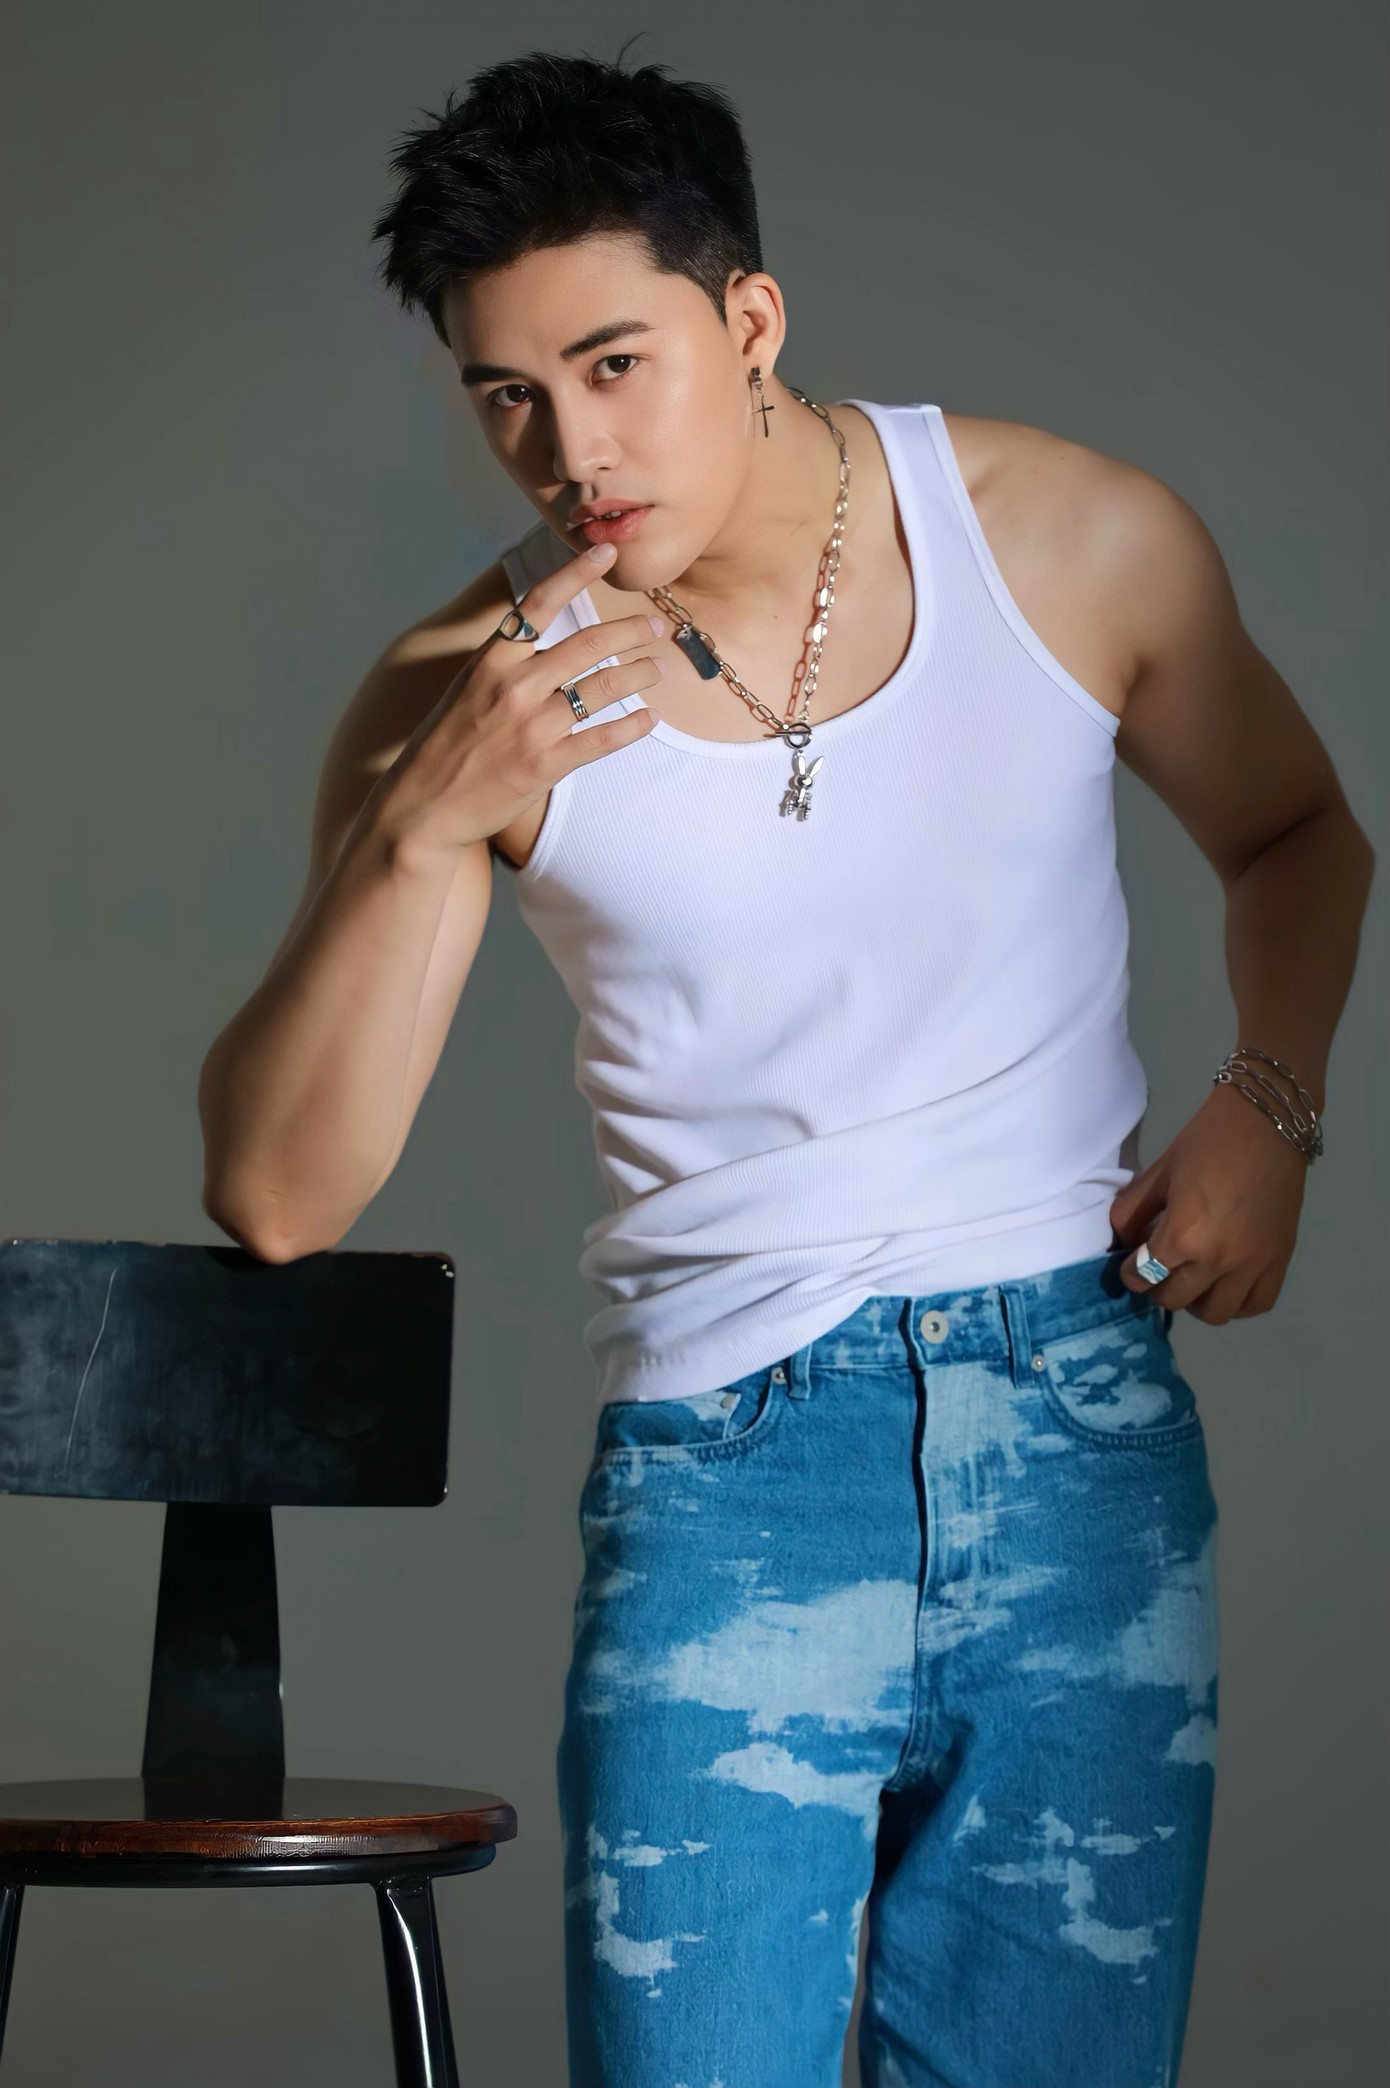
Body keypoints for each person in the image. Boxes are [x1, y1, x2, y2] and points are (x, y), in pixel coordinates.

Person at [196, 44, 1376, 2088]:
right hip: (733, 1467)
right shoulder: (464, 697)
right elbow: (280, 1195)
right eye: (505, 394)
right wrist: (423, 820)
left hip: (1078, 1432)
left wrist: (1268, 1098)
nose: (568, 449)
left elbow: (1296, 833)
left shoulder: (1064, 539)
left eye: (613, 363)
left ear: (747, 318)